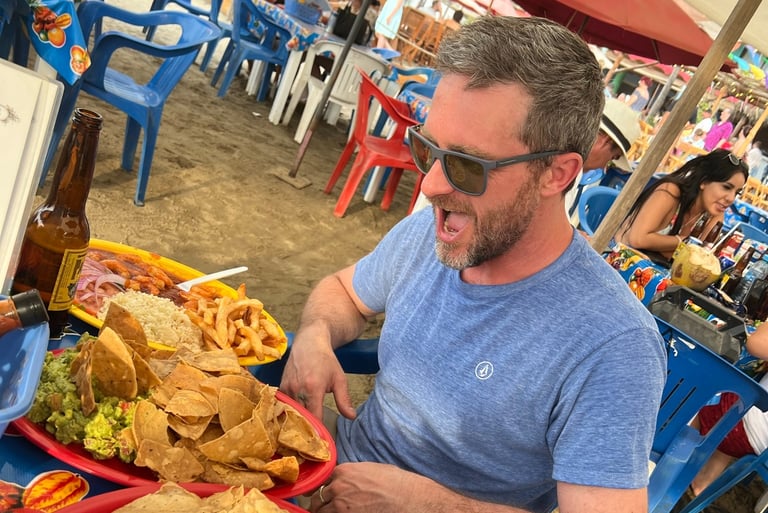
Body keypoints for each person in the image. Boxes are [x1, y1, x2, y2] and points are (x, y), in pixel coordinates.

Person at [279, 16, 666, 513]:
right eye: (427, 149)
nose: (430, 186)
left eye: (466, 165)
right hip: (326, 468)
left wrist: (425, 503)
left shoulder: (612, 344)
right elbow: (345, 292)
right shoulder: (433, 232)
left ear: (557, 173)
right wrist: (315, 335)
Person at [615, 149, 748, 260]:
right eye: (726, 187)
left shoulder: (714, 214)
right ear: (704, 181)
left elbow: (694, 258)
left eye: (737, 193)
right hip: (618, 260)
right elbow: (638, 239)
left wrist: (663, 244)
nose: (731, 198)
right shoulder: (671, 192)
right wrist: (683, 241)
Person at [689, 321, 768, 496]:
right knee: (745, 391)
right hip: (762, 450)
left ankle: (679, 460)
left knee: (701, 382)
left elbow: (756, 343)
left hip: (746, 430)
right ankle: (703, 480)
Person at [564, 97, 641, 215]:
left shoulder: (559, 149)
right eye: (613, 157)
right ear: (606, 141)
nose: (603, 166)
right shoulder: (566, 170)